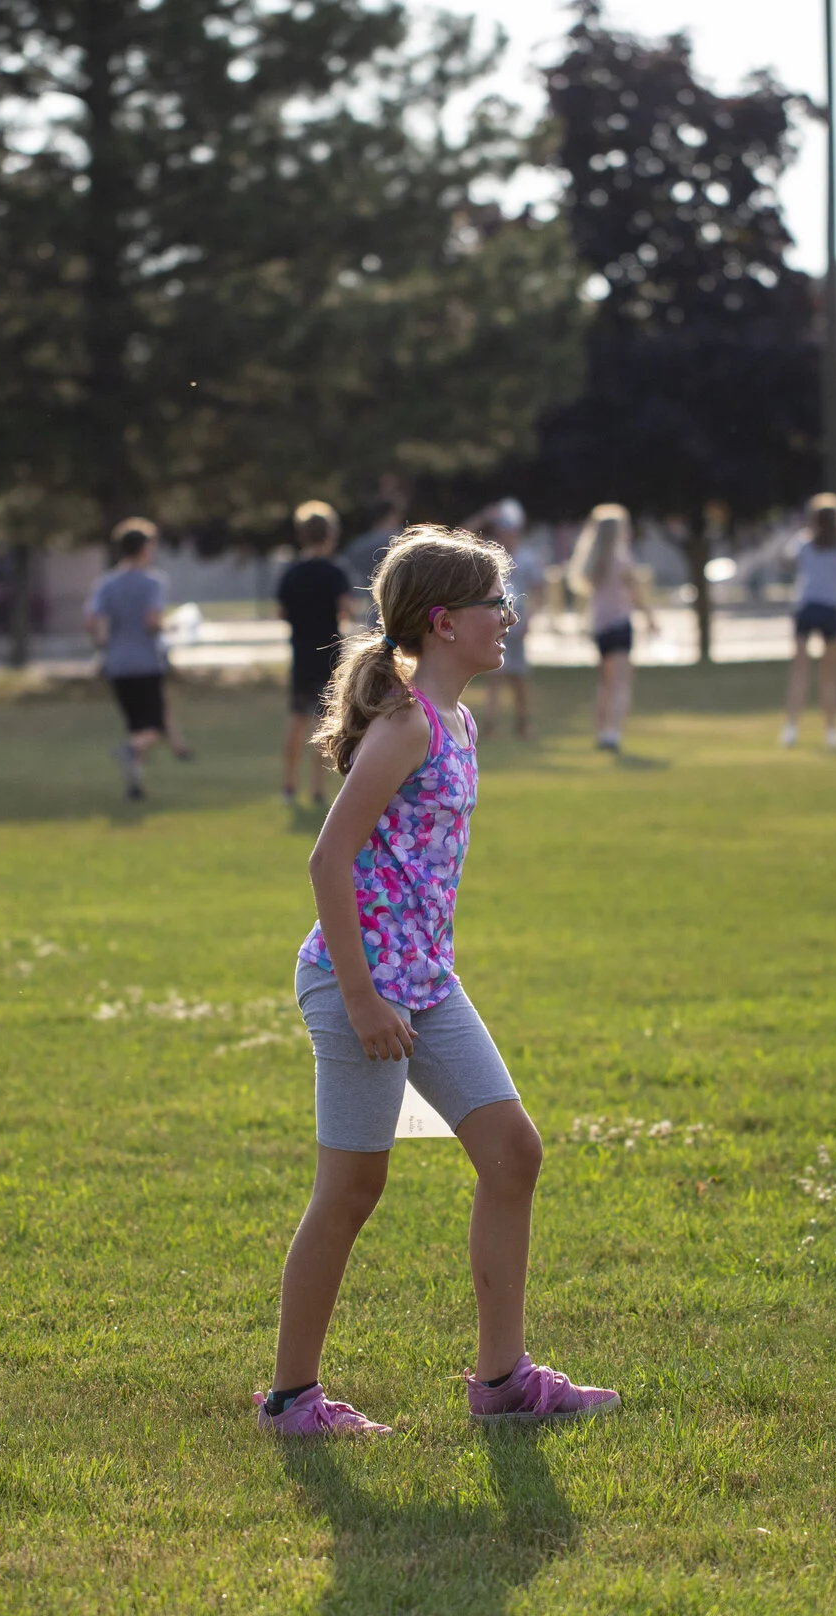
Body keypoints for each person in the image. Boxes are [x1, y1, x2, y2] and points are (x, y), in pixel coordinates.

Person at [258, 523, 617, 1436]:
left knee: (514, 1154)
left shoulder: (457, 718)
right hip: (359, 986)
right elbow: (327, 859)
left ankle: (502, 1382)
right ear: (445, 620)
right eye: (495, 603)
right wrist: (367, 996)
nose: (509, 617)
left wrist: (403, 986)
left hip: (426, 981)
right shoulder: (407, 724)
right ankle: (291, 1400)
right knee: (350, 1190)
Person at [87, 517, 187, 799]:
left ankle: (135, 785)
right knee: (154, 726)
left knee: (136, 726)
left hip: (118, 664)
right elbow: (151, 621)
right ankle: (129, 752)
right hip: (145, 662)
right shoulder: (152, 581)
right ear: (144, 548)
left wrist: (102, 646)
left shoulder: (106, 583)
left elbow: (92, 620)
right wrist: (172, 626)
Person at [277, 500, 355, 806]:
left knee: (297, 719)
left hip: (301, 654)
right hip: (329, 655)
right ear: (330, 534)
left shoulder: (292, 572)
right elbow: (346, 609)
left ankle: (288, 785)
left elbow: (282, 611)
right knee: (326, 724)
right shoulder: (335, 572)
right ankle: (319, 789)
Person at [572, 504, 656, 752]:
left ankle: (601, 731)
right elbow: (637, 595)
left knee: (605, 683)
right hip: (619, 625)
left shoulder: (593, 563)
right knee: (620, 683)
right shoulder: (622, 560)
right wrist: (651, 618)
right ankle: (614, 732)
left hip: (600, 627)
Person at [778, 494, 836, 748]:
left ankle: (791, 729)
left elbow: (785, 560)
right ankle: (831, 732)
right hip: (831, 611)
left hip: (806, 609)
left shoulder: (804, 543)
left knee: (800, 673)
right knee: (829, 677)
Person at [477, 498, 546, 740]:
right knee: (495, 677)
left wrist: (531, 620)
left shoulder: (528, 557)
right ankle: (490, 726)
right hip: (495, 624)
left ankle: (523, 724)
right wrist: (484, 515)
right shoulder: (488, 554)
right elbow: (460, 535)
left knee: (519, 679)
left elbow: (538, 592)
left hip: (517, 623)